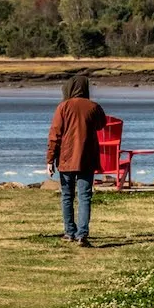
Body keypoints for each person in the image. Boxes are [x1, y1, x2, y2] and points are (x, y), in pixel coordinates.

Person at [44, 72, 106, 246]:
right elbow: (102, 124)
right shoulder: (93, 106)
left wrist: (50, 159)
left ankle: (69, 231)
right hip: (87, 158)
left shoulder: (63, 107)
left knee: (67, 196)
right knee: (85, 196)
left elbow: (55, 134)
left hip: (66, 158)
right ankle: (82, 234)